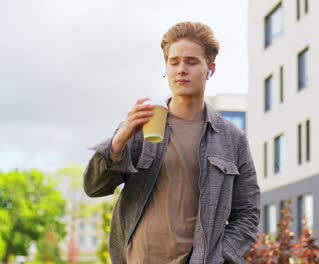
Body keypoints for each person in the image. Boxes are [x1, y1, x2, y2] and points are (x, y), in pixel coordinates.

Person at [83, 21, 260, 264]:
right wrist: (119, 141)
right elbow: (93, 187)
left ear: (211, 68)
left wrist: (218, 256)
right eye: (174, 62)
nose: (181, 70)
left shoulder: (232, 139)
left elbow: (248, 214)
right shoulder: (141, 124)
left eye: (191, 61)